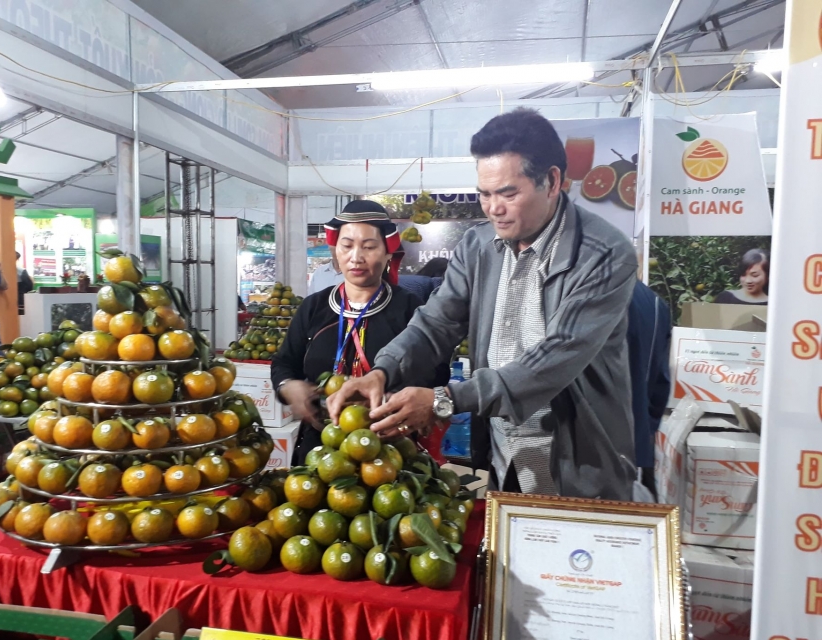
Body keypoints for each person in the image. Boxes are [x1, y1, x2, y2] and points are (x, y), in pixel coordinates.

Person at [328, 108, 640, 500]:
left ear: (552, 181)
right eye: (485, 194)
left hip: (579, 461)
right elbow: (436, 322)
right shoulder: (478, 246)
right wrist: (383, 371)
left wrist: (445, 400)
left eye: (508, 193)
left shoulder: (603, 253)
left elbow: (557, 356)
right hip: (505, 454)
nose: (493, 208)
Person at [271, 200, 435, 460]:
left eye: (369, 247)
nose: (356, 257)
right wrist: (288, 386)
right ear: (336, 251)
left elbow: (434, 372)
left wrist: (398, 398)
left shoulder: (410, 308)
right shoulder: (314, 307)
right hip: (320, 448)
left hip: (390, 449)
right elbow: (284, 363)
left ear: (388, 253)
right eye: (347, 246)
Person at [627, 282, 672, 500]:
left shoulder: (582, 292)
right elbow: (660, 385)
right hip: (635, 440)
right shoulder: (655, 303)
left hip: (583, 449)